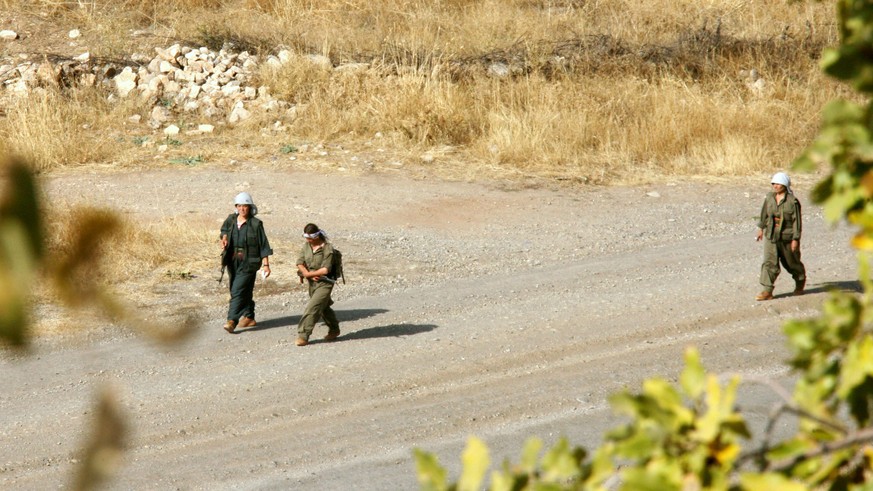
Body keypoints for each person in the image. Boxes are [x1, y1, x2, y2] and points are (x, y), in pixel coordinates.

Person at [219, 192, 272, 333]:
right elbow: (224, 230)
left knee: (237, 290)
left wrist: (266, 265)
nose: (242, 209)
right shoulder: (231, 220)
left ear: (250, 207)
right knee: (242, 290)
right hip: (232, 260)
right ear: (236, 207)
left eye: (245, 206)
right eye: (240, 206)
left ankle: (231, 321)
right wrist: (224, 238)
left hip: (249, 262)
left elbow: (264, 245)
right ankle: (249, 316)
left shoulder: (256, 224)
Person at [755, 172, 806, 301]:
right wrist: (760, 228)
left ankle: (800, 281)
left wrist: (796, 239)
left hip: (787, 237)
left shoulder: (792, 202)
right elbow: (764, 214)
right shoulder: (769, 198)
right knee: (769, 262)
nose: (775, 186)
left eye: (778, 183)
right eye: (774, 183)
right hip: (771, 235)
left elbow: (797, 222)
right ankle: (767, 290)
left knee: (791, 262)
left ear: (785, 185)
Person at [294, 223, 340, 346]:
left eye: (310, 238)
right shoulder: (306, 246)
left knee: (313, 307)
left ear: (316, 236)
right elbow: (300, 262)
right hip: (312, 283)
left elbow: (325, 270)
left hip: (325, 283)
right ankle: (334, 329)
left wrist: (308, 274)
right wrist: (307, 274)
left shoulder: (327, 248)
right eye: (306, 237)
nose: (308, 240)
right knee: (323, 307)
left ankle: (303, 335)